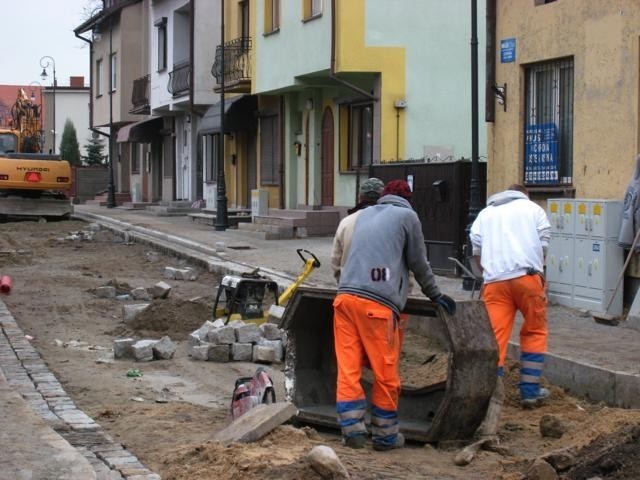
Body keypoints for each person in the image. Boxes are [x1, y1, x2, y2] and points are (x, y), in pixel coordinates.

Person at [332, 179, 456, 451]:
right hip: (377, 305)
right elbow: (418, 262)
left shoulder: (361, 216)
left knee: (348, 368)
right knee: (385, 372)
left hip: (344, 301)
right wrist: (435, 294)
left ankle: (352, 430)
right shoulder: (407, 216)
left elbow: (341, 260)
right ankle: (386, 436)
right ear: (408, 199)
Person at [469, 184, 551, 409]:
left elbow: (476, 252)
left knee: (496, 338)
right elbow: (543, 246)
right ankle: (530, 393)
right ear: (526, 195)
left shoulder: (485, 214)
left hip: (495, 283)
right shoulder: (533, 209)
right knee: (535, 331)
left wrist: (488, 273)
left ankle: (490, 396)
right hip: (528, 278)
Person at [331, 177, 385, 283]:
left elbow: (335, 259)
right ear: (382, 197)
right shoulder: (392, 222)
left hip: (350, 287)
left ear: (360, 197)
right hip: (383, 290)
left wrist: (342, 282)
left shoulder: (346, 222)